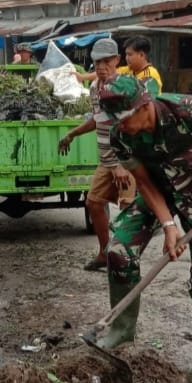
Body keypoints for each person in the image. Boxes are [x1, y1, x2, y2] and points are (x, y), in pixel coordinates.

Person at [93, 75, 192, 383]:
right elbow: (146, 183)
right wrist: (167, 225)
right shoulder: (120, 136)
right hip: (158, 195)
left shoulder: (191, 113)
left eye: (124, 120)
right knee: (118, 251)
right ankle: (122, 329)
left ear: (144, 106)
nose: (119, 127)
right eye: (115, 122)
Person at [58, 39, 137, 271]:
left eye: (106, 61)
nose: (101, 66)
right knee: (93, 203)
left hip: (127, 160)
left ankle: (127, 261)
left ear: (117, 60)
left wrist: (122, 165)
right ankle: (104, 253)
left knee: (128, 211)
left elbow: (134, 127)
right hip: (108, 161)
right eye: (97, 62)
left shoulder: (125, 88)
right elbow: (98, 120)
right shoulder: (94, 88)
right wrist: (73, 134)